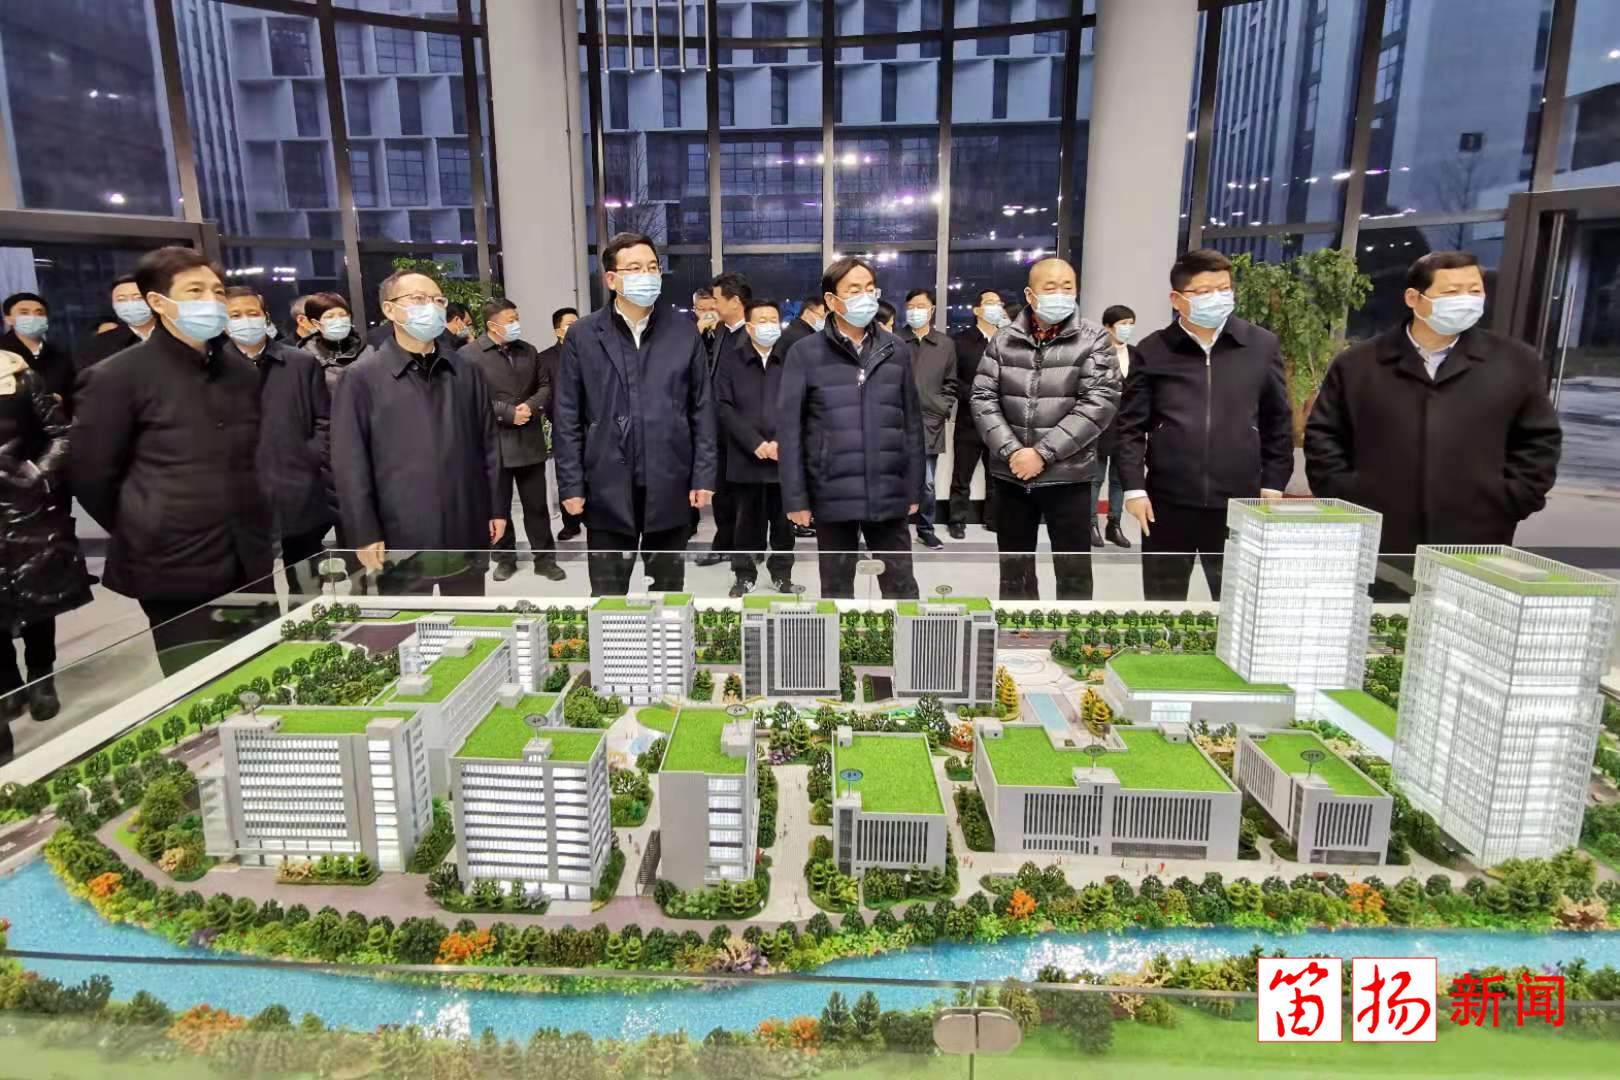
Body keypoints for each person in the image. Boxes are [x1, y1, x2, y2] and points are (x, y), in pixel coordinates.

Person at [1305, 250, 1561, 591]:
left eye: (1475, 291)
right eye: (1451, 292)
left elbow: (1539, 442)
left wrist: (1510, 498)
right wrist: (1347, 494)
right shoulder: (1359, 364)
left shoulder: (1514, 362)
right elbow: (1324, 436)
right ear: (1414, 298)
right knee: (1383, 620)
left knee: (1466, 619)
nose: (1466, 301)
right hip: (1378, 535)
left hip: (1477, 535)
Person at [71, 246, 273, 674]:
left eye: (218, 291)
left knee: (262, 670)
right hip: (172, 562)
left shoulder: (240, 372)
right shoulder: (116, 376)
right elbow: (91, 476)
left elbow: (251, 455)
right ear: (158, 302)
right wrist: (148, 520)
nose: (212, 301)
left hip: (247, 553)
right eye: (195, 291)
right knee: (196, 682)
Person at [1115, 248, 1293, 601]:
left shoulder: (1260, 345)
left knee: (1237, 605)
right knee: (1163, 604)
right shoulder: (1154, 350)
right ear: (1177, 299)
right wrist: (1134, 488)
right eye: (1204, 291)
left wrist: (1273, 483)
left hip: (1240, 502)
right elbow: (1130, 427)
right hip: (1167, 502)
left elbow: (1278, 421)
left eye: (1224, 289)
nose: (1217, 298)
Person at [553, 232, 716, 595]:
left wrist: (703, 475)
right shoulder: (584, 334)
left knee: (668, 593)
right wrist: (571, 484)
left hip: (670, 480)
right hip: (605, 485)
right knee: (607, 596)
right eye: (635, 268)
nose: (647, 275)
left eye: (653, 267)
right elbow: (567, 415)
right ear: (612, 279)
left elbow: (702, 409)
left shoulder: (683, 332)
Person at [331, 269, 505, 596]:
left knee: (468, 614)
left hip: (464, 519)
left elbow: (489, 445)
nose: (432, 307)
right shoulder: (361, 378)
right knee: (409, 620)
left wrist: (496, 507)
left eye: (438, 300)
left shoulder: (466, 371)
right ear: (389, 309)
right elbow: (349, 463)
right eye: (419, 299)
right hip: (400, 528)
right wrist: (363, 530)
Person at [971, 258, 1119, 601]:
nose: (1060, 294)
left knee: (1073, 570)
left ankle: (1072, 629)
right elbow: (982, 398)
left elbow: (1099, 403)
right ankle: (1018, 627)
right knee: (1015, 569)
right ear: (1030, 294)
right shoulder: (1003, 340)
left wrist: (1042, 453)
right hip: (1011, 475)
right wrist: (1012, 452)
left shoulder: (1094, 339)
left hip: (1069, 475)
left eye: (1067, 287)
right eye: (1050, 287)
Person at [778, 256, 922, 599]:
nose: (865, 297)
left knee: (901, 586)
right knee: (837, 587)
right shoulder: (805, 353)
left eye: (870, 289)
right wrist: (796, 498)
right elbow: (790, 431)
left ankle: (904, 636)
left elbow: (912, 424)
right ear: (831, 300)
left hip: (888, 490)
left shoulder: (896, 349)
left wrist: (915, 488)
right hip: (832, 492)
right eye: (854, 289)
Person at [0, 346, 92, 743]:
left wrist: (39, 474)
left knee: (39, 592)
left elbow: (61, 434)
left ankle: (41, 676)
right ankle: (8, 684)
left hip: (26, 506)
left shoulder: (19, 376)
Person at [222, 286, 334, 594]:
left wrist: (307, 457)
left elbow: (325, 421)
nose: (245, 320)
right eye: (235, 315)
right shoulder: (212, 368)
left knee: (308, 587)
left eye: (252, 313)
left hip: (298, 490)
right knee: (254, 594)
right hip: (242, 498)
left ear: (266, 317)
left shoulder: (300, 363)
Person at [461, 298, 566, 583]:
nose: (516, 324)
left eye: (517, 318)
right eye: (510, 320)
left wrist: (529, 407)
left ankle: (545, 560)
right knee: (499, 508)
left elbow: (545, 385)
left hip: (529, 441)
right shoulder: (469, 356)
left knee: (537, 507)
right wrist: (507, 413)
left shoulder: (528, 350)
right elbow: (469, 397)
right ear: (492, 324)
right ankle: (505, 559)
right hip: (494, 444)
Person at [714, 299, 794, 597]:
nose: (769, 326)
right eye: (762, 320)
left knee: (784, 524)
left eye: (773, 320)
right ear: (748, 327)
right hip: (745, 458)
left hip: (783, 459)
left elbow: (800, 404)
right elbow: (723, 407)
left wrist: (781, 441)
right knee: (746, 524)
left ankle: (782, 575)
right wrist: (754, 442)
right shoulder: (731, 361)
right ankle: (744, 575)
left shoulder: (791, 359)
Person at [695, 271, 752, 568]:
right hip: (718, 430)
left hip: (744, 430)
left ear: (735, 301)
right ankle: (723, 544)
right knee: (723, 494)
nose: (713, 306)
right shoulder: (720, 332)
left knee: (746, 498)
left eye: (717, 300)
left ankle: (744, 554)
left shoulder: (753, 334)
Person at [948, 290, 1008, 539]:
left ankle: (992, 519)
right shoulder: (960, 341)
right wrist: (976, 395)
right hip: (969, 420)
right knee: (962, 474)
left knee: (996, 475)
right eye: (990, 303)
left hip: (1000, 422)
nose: (996, 307)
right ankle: (956, 520)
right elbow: (953, 379)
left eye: (998, 303)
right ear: (977, 310)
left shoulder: (1008, 340)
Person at [902, 288, 958, 551]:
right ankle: (895, 531)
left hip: (929, 423)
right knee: (895, 480)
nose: (915, 311)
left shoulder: (945, 345)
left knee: (927, 482)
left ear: (932, 309)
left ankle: (926, 529)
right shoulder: (895, 340)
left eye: (921, 306)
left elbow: (951, 384)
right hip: (897, 423)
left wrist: (941, 409)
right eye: (911, 306)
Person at [1092, 304, 1136, 549]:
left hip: (1127, 426)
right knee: (1096, 478)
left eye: (1131, 324)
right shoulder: (1095, 354)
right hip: (1100, 425)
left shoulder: (1137, 355)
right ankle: (1091, 524)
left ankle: (1114, 525)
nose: (1127, 328)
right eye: (1122, 324)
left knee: (1120, 479)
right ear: (1108, 327)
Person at [540, 306, 584, 541]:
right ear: (558, 331)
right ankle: (571, 523)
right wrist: (557, 418)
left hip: (592, 425)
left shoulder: (590, 352)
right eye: (570, 324)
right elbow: (545, 394)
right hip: (563, 425)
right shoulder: (545, 358)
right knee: (567, 473)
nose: (576, 327)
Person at [0, 293, 73, 412]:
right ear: (8, 319)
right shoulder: (2, 353)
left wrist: (62, 402)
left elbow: (72, 394)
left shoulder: (59, 356)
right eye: (24, 313)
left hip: (54, 420)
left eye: (39, 313)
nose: (33, 317)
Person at [77, 275, 158, 373]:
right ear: (113, 305)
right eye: (121, 299)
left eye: (138, 297)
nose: (130, 304)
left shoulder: (173, 334)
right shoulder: (100, 344)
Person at [303, 292, 367, 392]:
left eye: (343, 315)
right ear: (316, 323)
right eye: (330, 317)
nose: (338, 321)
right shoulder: (305, 358)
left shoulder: (367, 351)